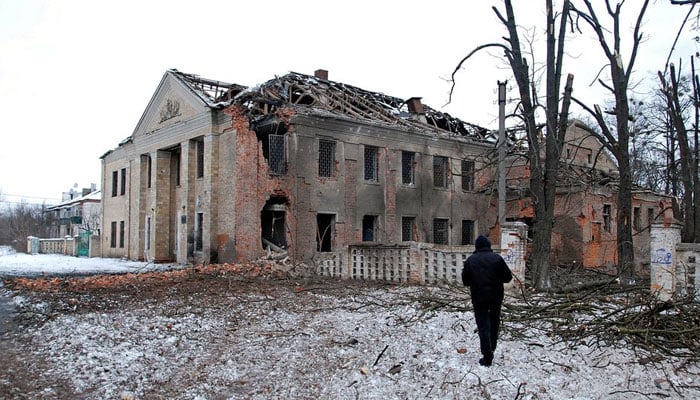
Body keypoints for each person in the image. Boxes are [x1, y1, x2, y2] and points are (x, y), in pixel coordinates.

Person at [461, 235, 513, 367]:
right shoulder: (497, 259)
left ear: (477, 246)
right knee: (494, 323)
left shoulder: (471, 261)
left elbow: (465, 281)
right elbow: (508, 277)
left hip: (479, 298)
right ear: (489, 246)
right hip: (496, 297)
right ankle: (492, 347)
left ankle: (487, 354)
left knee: (483, 325)